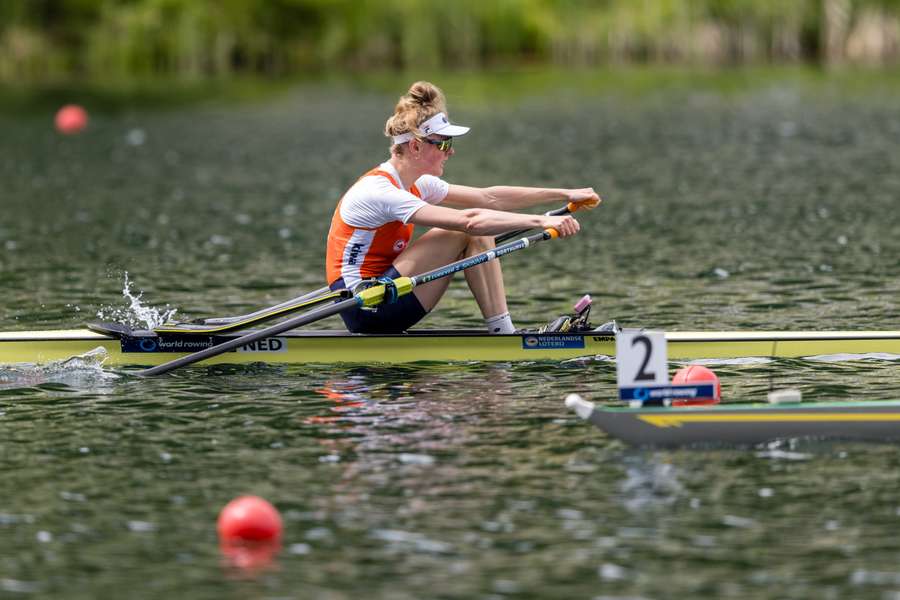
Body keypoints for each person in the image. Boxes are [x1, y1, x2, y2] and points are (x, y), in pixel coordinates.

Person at [325, 81, 601, 335]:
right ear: (415, 147)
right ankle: (505, 335)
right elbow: (469, 221)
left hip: (388, 293)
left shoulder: (418, 183)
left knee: (479, 225)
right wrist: (541, 222)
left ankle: (504, 334)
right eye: (444, 143)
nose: (450, 151)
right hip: (365, 305)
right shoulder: (380, 190)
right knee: (467, 230)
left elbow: (488, 198)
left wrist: (564, 193)